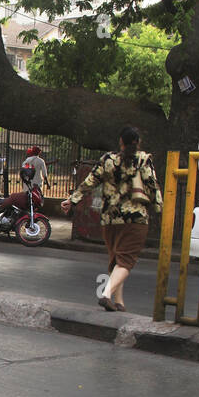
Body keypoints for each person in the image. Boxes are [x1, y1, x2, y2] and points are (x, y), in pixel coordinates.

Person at [62, 125, 162, 312]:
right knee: (127, 260)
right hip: (135, 218)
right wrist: (159, 208)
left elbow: (90, 181)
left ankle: (119, 302)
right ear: (137, 143)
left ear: (120, 142)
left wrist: (72, 200)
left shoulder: (107, 160)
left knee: (116, 259)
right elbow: (152, 187)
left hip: (110, 218)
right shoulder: (143, 160)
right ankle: (107, 294)